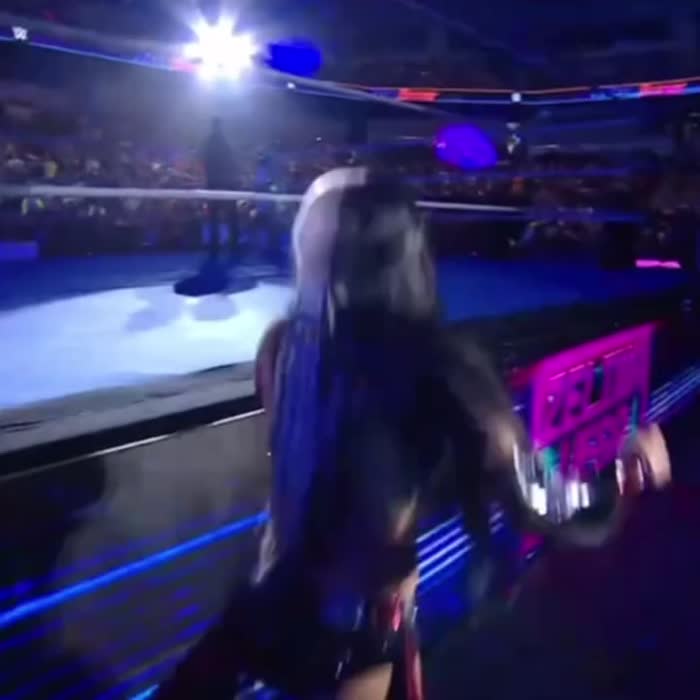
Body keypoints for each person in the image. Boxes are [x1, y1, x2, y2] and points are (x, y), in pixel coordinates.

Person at [156, 168, 628, 699]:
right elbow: (534, 499)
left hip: (278, 596)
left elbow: (320, 474)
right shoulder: (434, 363)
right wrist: (622, 473)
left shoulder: (284, 346)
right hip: (350, 618)